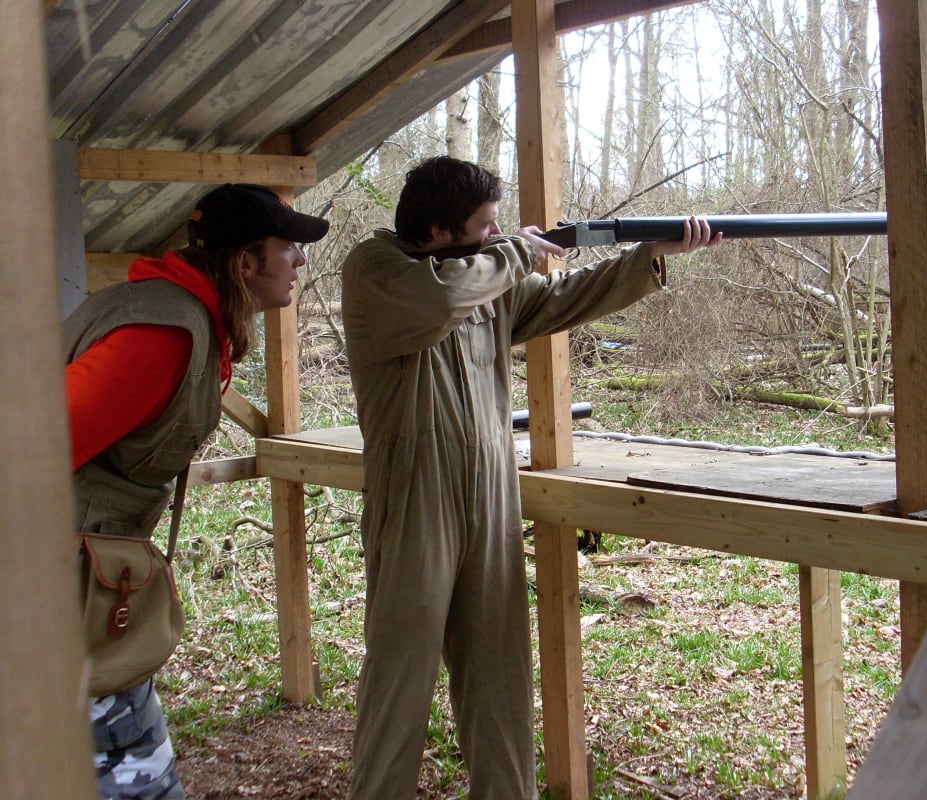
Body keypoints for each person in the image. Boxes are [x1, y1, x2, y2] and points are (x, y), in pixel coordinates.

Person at [340, 155, 721, 799]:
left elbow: (561, 299)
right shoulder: (375, 270)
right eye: (486, 227)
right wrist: (517, 253)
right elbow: (443, 294)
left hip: (491, 488)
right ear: (436, 231)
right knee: (399, 681)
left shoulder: (488, 273)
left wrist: (649, 255)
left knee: (501, 677)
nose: (497, 235)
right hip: (414, 495)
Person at [64, 183, 329, 799]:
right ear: (245, 263)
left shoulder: (183, 314)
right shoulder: (162, 335)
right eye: (288, 247)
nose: (301, 260)